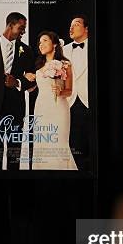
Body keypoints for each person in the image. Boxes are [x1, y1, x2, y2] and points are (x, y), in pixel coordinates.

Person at [0, 12, 36, 170]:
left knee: (13, 158)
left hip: (15, 110)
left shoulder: (27, 50)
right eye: (21, 28)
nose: (23, 31)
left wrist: (16, 82)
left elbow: (32, 80)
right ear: (10, 25)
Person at [28, 31, 77, 170]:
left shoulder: (65, 64)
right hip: (41, 109)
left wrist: (60, 91)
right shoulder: (39, 66)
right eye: (39, 42)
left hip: (58, 108)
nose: (41, 44)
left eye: (44, 41)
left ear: (54, 43)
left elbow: (69, 90)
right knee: (42, 145)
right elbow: (36, 88)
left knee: (59, 143)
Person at [63, 15, 91, 171]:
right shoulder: (64, 50)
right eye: (70, 25)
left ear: (86, 29)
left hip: (90, 101)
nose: (71, 27)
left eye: (77, 24)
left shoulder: (94, 46)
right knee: (74, 145)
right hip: (70, 103)